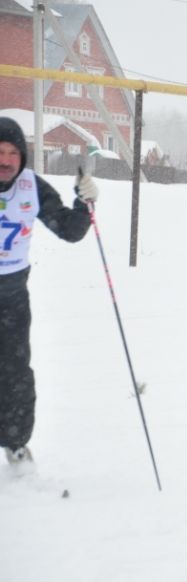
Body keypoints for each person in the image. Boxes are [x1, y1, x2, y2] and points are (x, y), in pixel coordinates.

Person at [0, 117, 98, 466]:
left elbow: (69, 230)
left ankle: (15, 444)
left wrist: (85, 203)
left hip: (12, 296)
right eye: (0, 152)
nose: (6, 160)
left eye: (13, 153)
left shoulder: (31, 187)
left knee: (14, 373)